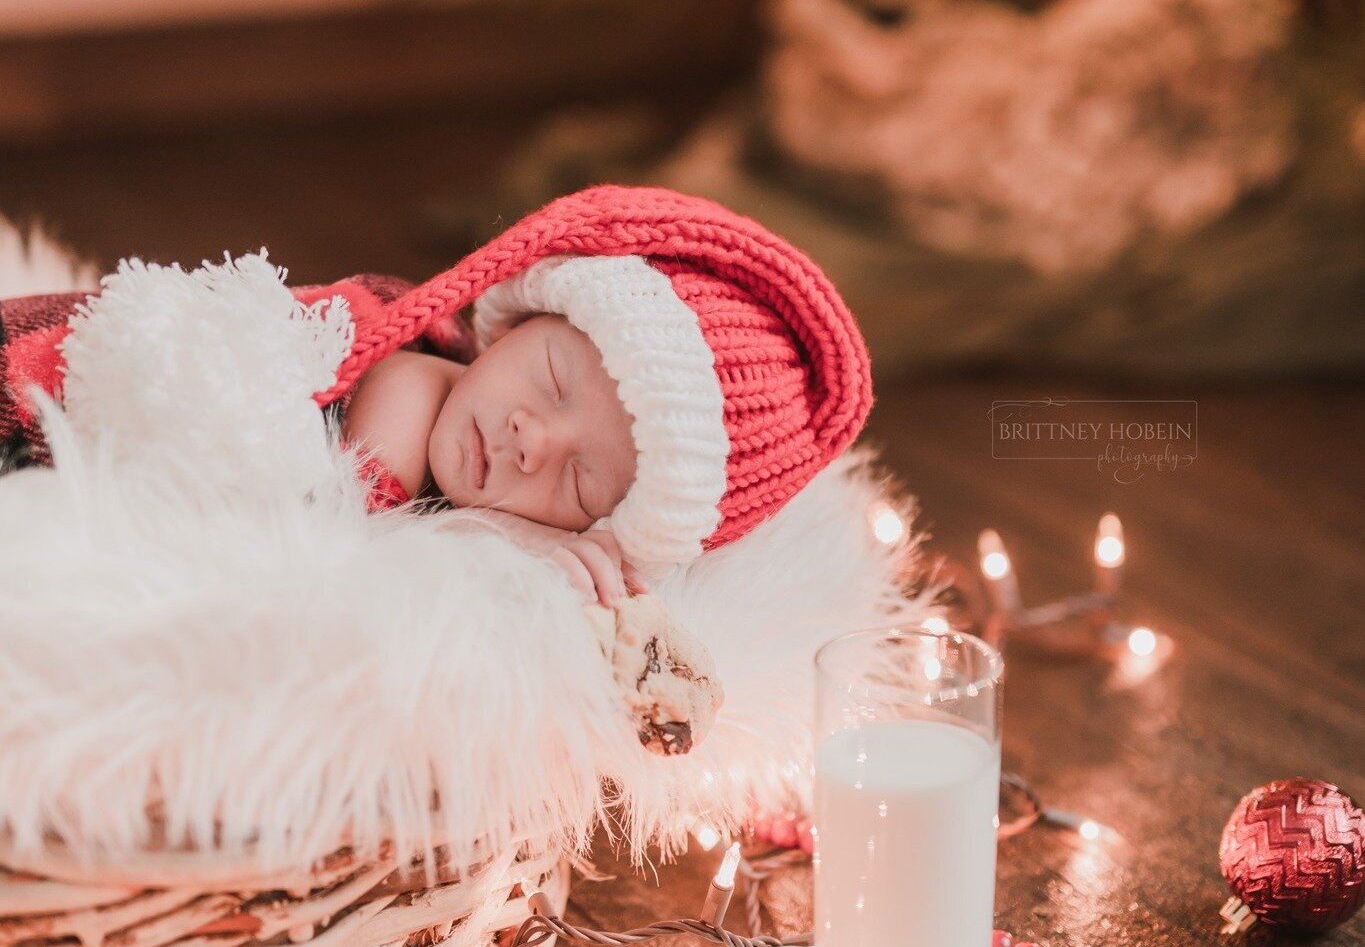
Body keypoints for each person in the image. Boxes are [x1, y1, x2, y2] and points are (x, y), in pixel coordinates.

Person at [0, 185, 874, 604]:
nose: (536, 441)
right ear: (517, 323)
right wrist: (489, 534)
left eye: (579, 484)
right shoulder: (416, 383)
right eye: (553, 381)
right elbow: (338, 535)